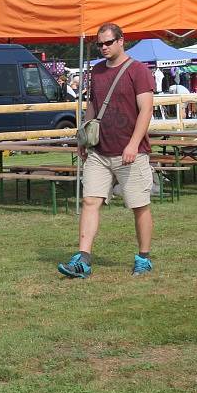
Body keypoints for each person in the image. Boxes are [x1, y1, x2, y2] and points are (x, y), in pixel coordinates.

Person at [57, 23, 155, 279]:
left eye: (108, 43)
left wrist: (133, 144)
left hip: (130, 151)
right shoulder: (97, 71)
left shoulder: (139, 70)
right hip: (99, 152)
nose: (103, 48)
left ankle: (143, 257)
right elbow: (93, 105)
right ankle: (83, 260)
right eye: (99, 44)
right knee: (90, 201)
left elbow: (146, 109)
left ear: (122, 41)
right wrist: (83, 138)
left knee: (139, 206)